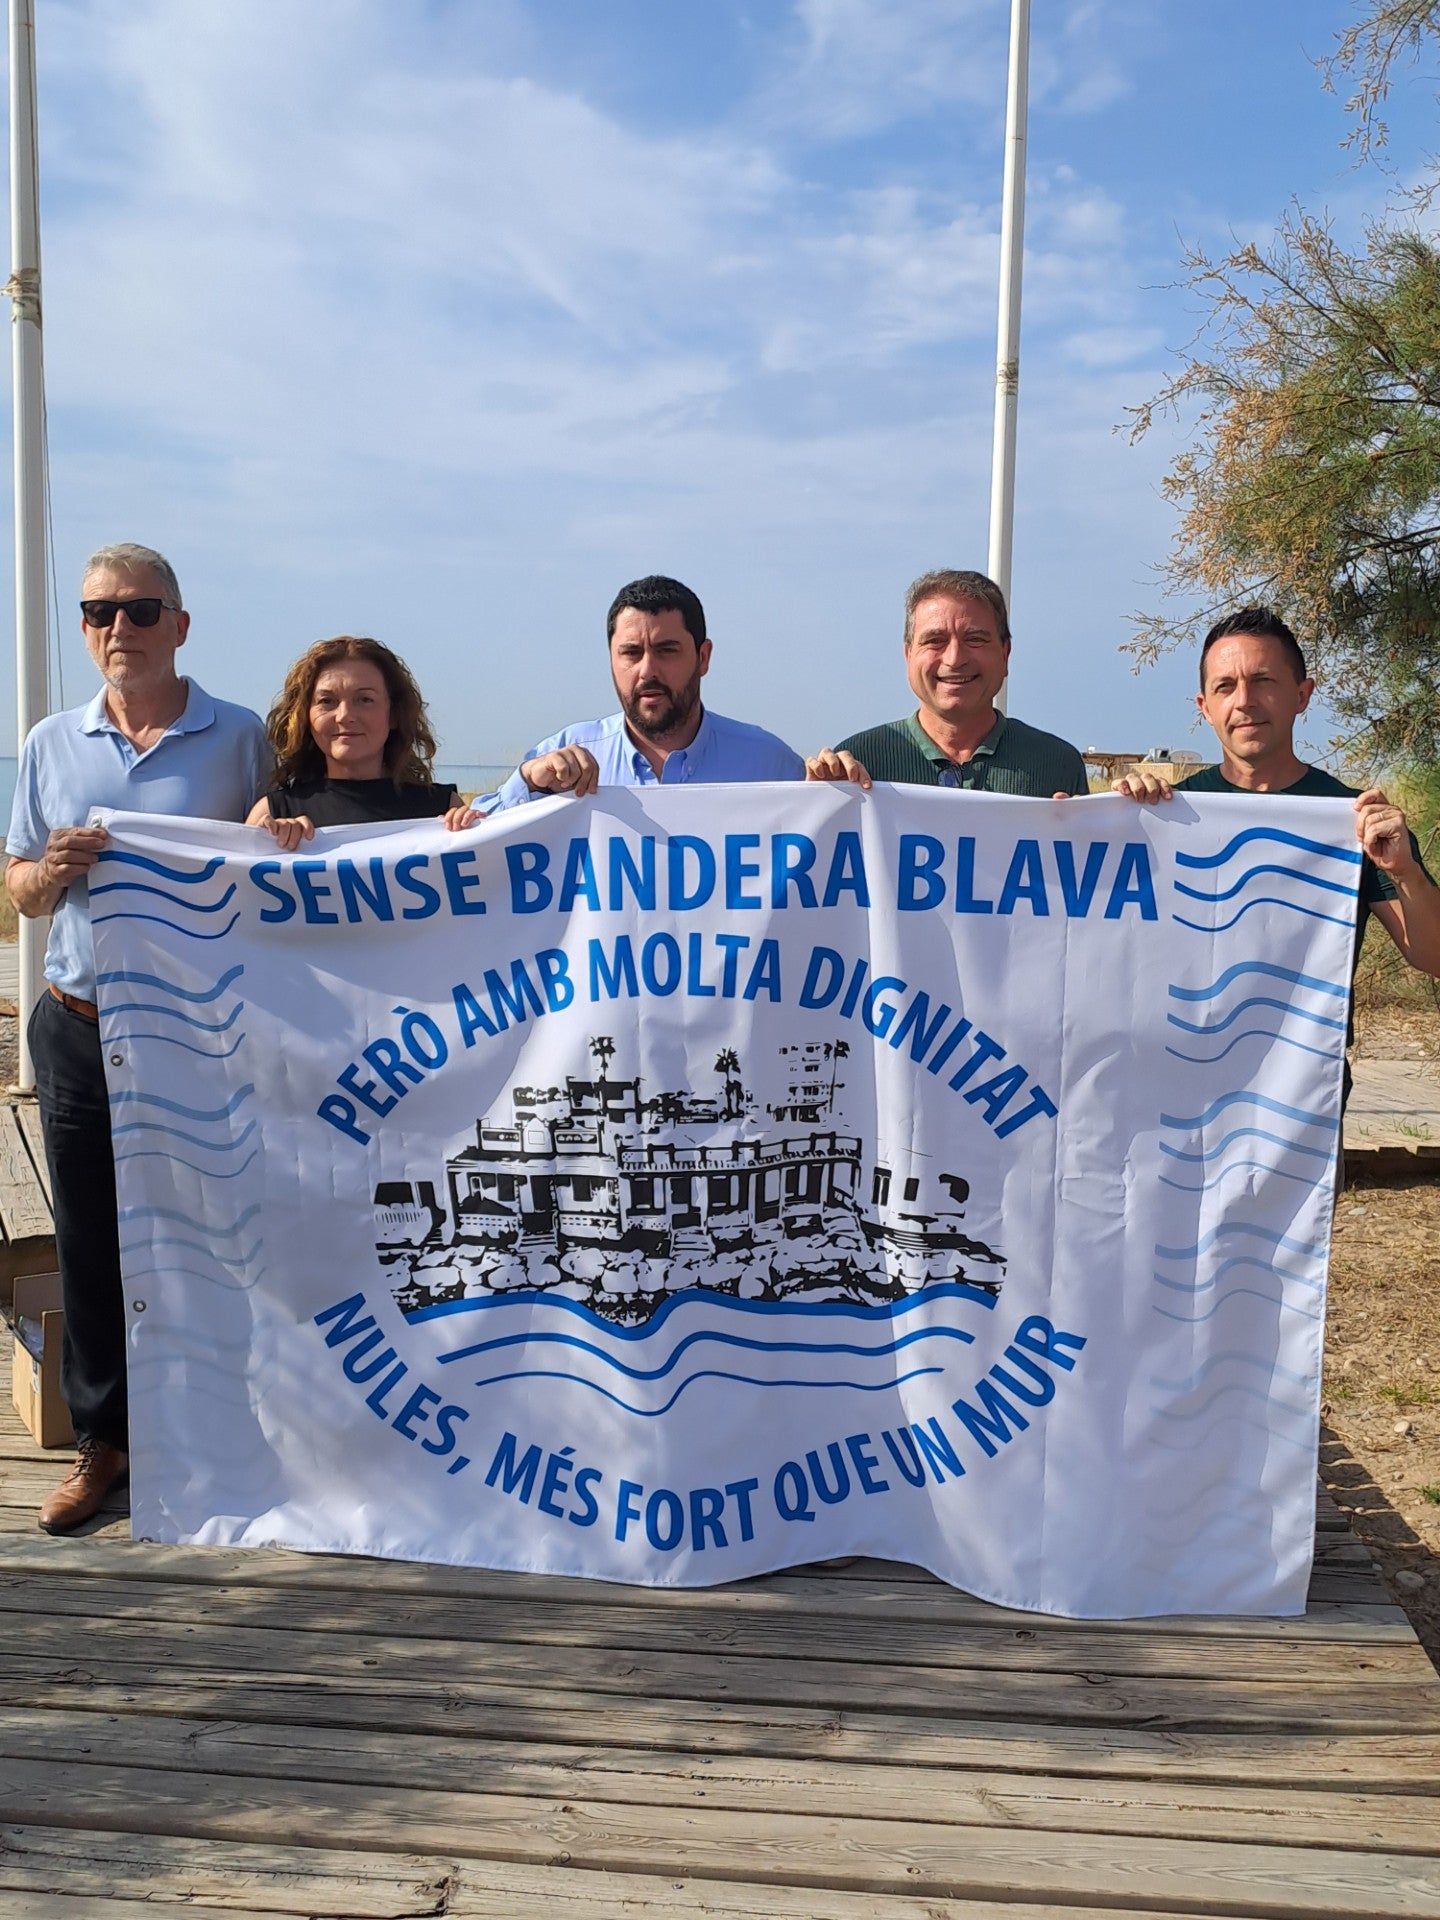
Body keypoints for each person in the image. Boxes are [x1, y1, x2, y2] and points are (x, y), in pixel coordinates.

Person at [5, 543, 272, 1533]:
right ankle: (103, 1442)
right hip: (77, 1026)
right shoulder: (47, 742)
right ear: (83, 630)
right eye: (99, 612)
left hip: (200, 1035)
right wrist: (54, 871)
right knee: (88, 1238)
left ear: (181, 626)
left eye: (142, 610)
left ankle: (227, 1424)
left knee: (218, 1231)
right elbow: (19, 889)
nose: (120, 628)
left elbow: (283, 852)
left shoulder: (240, 737)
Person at [490, 574, 805, 807]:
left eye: (667, 650)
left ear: (703, 658)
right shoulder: (560, 759)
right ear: (611, 660)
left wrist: (843, 792)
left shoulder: (769, 764)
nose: (647, 670)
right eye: (630, 653)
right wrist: (528, 782)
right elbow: (470, 847)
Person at [806, 569, 1089, 797]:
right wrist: (814, 805)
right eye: (935, 641)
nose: (954, 659)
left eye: (975, 639)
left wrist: (1129, 812)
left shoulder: (1057, 765)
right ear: (908, 655)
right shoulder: (858, 765)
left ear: (1005, 654)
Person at [246, 636, 482, 848]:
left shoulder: (442, 810)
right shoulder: (273, 814)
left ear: (394, 714)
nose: (345, 715)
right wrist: (268, 845)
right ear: (305, 717)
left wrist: (478, 835)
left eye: (365, 699)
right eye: (327, 701)